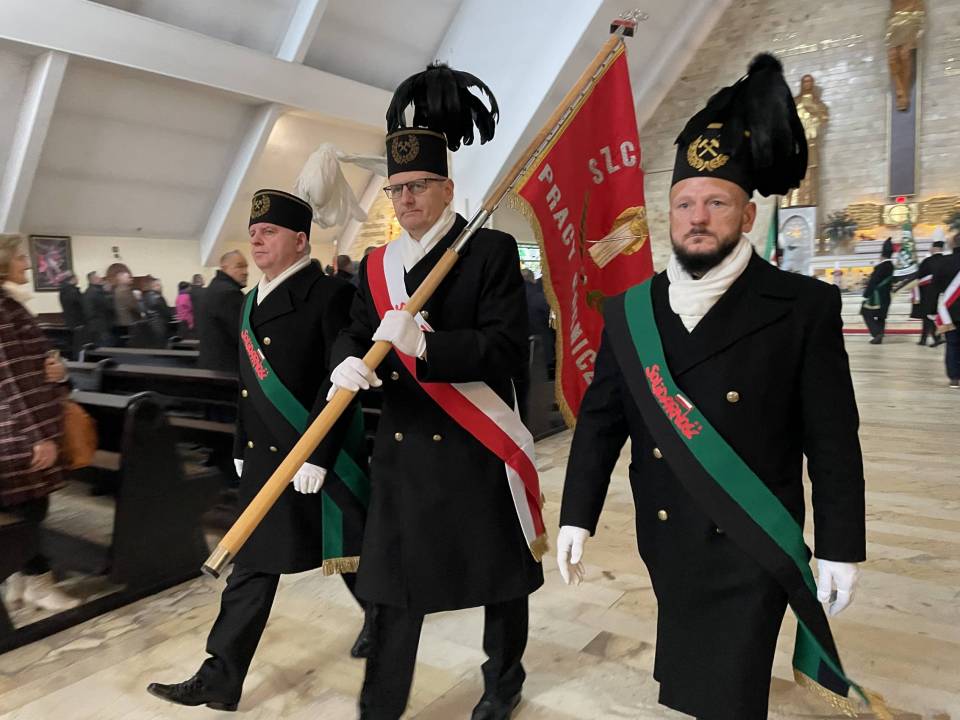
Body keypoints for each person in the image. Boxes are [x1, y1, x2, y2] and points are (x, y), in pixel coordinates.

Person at [557, 54, 866, 720]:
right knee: (694, 667)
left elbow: (833, 438)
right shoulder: (630, 311)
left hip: (751, 533)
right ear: (668, 214)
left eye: (716, 202)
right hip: (666, 531)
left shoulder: (802, 306)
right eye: (685, 203)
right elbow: (602, 422)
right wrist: (576, 512)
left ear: (748, 215)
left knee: (728, 687)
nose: (698, 217)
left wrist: (841, 546)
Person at [327, 63, 545, 720]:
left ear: (447, 188)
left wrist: (430, 347)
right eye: (396, 189)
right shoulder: (375, 265)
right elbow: (353, 331)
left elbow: (507, 349)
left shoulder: (490, 251)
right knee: (391, 588)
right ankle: (380, 708)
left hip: (477, 445)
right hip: (404, 451)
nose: (406, 199)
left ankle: (503, 681)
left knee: (501, 578)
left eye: (419, 185)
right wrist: (344, 362)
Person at [147, 190, 371, 711]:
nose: (257, 240)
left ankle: (386, 624)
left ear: (300, 241)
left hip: (315, 453)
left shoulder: (329, 293)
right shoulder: (252, 299)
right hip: (267, 457)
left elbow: (337, 383)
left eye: (269, 232)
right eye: (253, 233)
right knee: (254, 563)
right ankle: (220, 678)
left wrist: (318, 454)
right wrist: (240, 443)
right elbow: (247, 384)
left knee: (351, 550)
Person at [0, 234, 79, 612]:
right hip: (18, 432)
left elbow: (30, 364)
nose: (27, 263)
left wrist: (57, 372)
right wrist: (37, 437)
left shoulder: (10, 304)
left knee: (21, 507)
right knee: (30, 509)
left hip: (16, 427)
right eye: (20, 257)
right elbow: (9, 377)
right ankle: (39, 583)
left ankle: (17, 579)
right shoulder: (3, 308)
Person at [197, 250, 249, 373]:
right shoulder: (229, 293)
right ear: (225, 268)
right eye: (239, 266)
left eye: (246, 267)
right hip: (228, 368)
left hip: (211, 365)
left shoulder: (214, 287)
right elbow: (243, 335)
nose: (245, 272)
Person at [933, 232, 960, 388]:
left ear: (952, 244)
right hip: (950, 309)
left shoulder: (944, 262)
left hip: (950, 311)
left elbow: (935, 287)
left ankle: (954, 378)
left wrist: (931, 310)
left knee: (952, 344)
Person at [861, 238, 895, 344]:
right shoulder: (892, 267)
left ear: (882, 256)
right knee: (881, 316)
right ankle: (879, 336)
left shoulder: (880, 267)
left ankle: (877, 333)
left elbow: (873, 282)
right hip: (887, 296)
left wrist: (866, 294)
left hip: (877, 297)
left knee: (865, 312)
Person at [917, 240, 946, 346]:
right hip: (944, 293)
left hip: (928, 292)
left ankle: (937, 337)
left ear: (934, 248)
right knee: (930, 315)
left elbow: (919, 275)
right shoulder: (946, 260)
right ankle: (923, 339)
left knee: (927, 315)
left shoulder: (927, 261)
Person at [82, 271, 116, 346]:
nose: (101, 279)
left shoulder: (87, 292)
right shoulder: (97, 292)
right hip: (102, 326)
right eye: (98, 277)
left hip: (93, 326)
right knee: (107, 348)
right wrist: (108, 293)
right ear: (94, 279)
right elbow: (108, 306)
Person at [108, 263, 140, 329]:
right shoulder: (124, 290)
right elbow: (134, 307)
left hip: (121, 323)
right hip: (130, 323)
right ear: (120, 277)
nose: (130, 278)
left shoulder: (116, 289)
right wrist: (137, 299)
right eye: (128, 277)